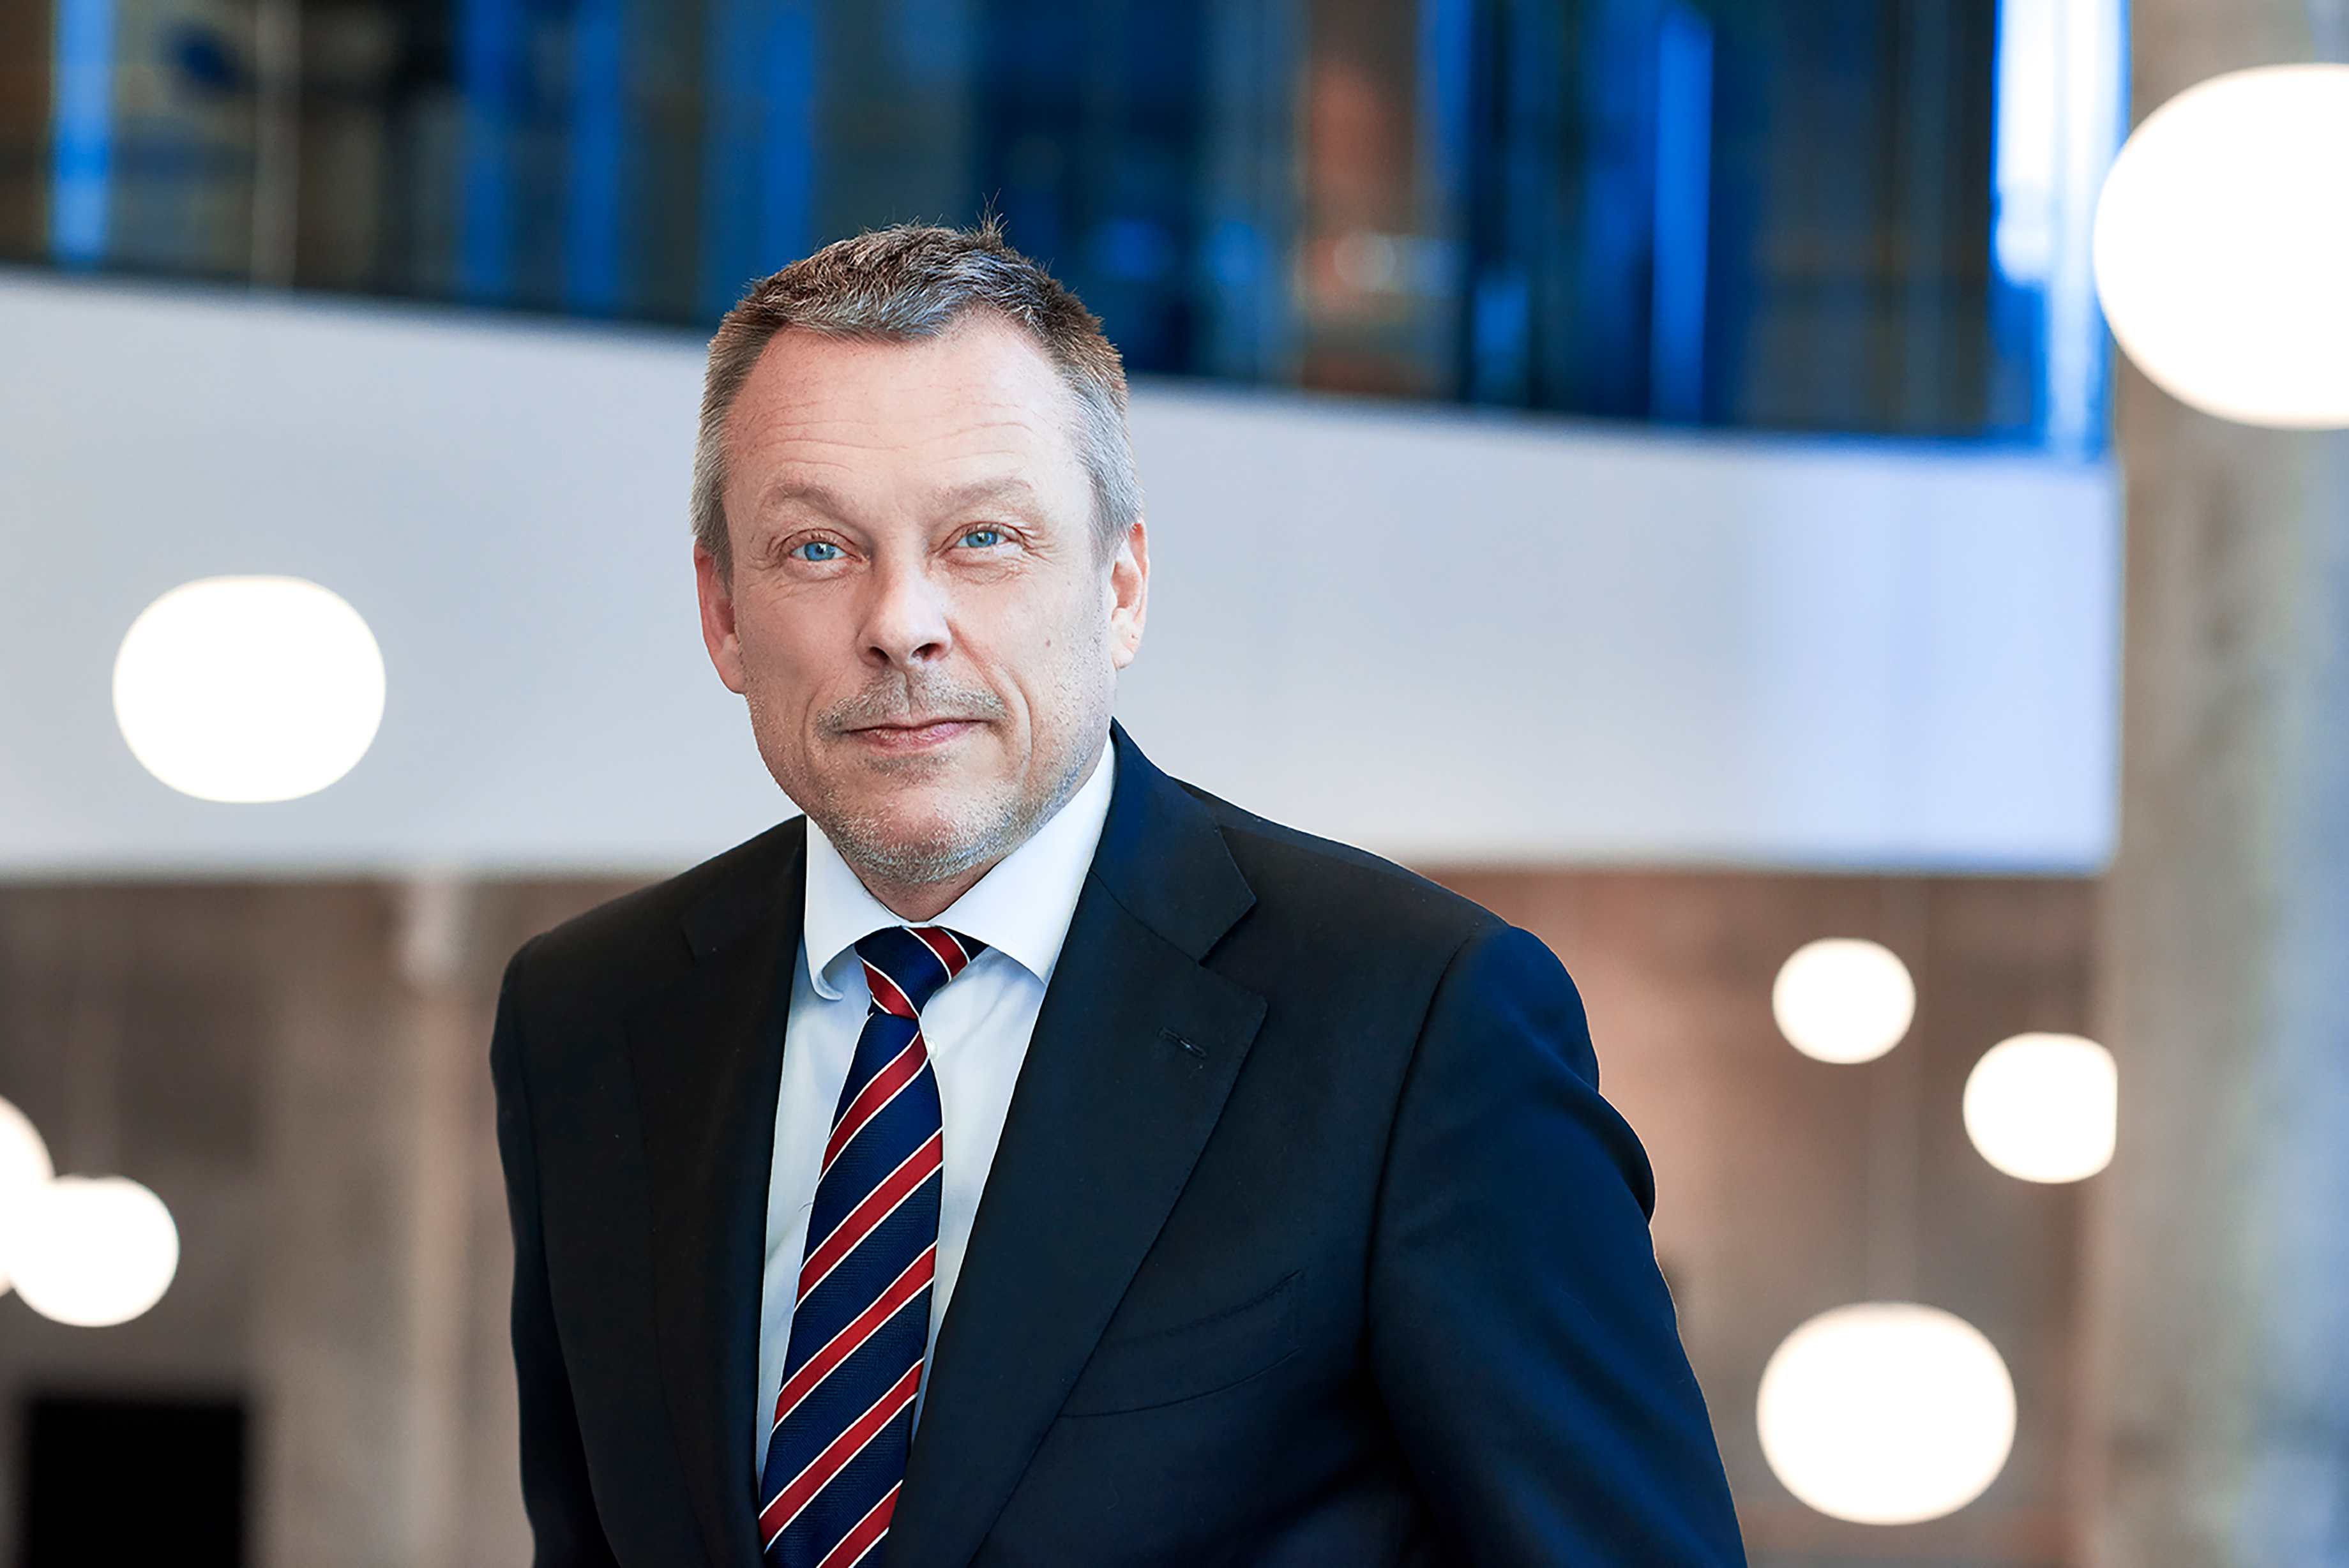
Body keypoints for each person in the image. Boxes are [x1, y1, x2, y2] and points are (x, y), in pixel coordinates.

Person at [491, 221, 1748, 1568]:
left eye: (983, 537)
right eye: (816, 549)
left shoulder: (1418, 1026)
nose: (901, 622)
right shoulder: (585, 1018)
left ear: (1123, 587)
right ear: (723, 613)